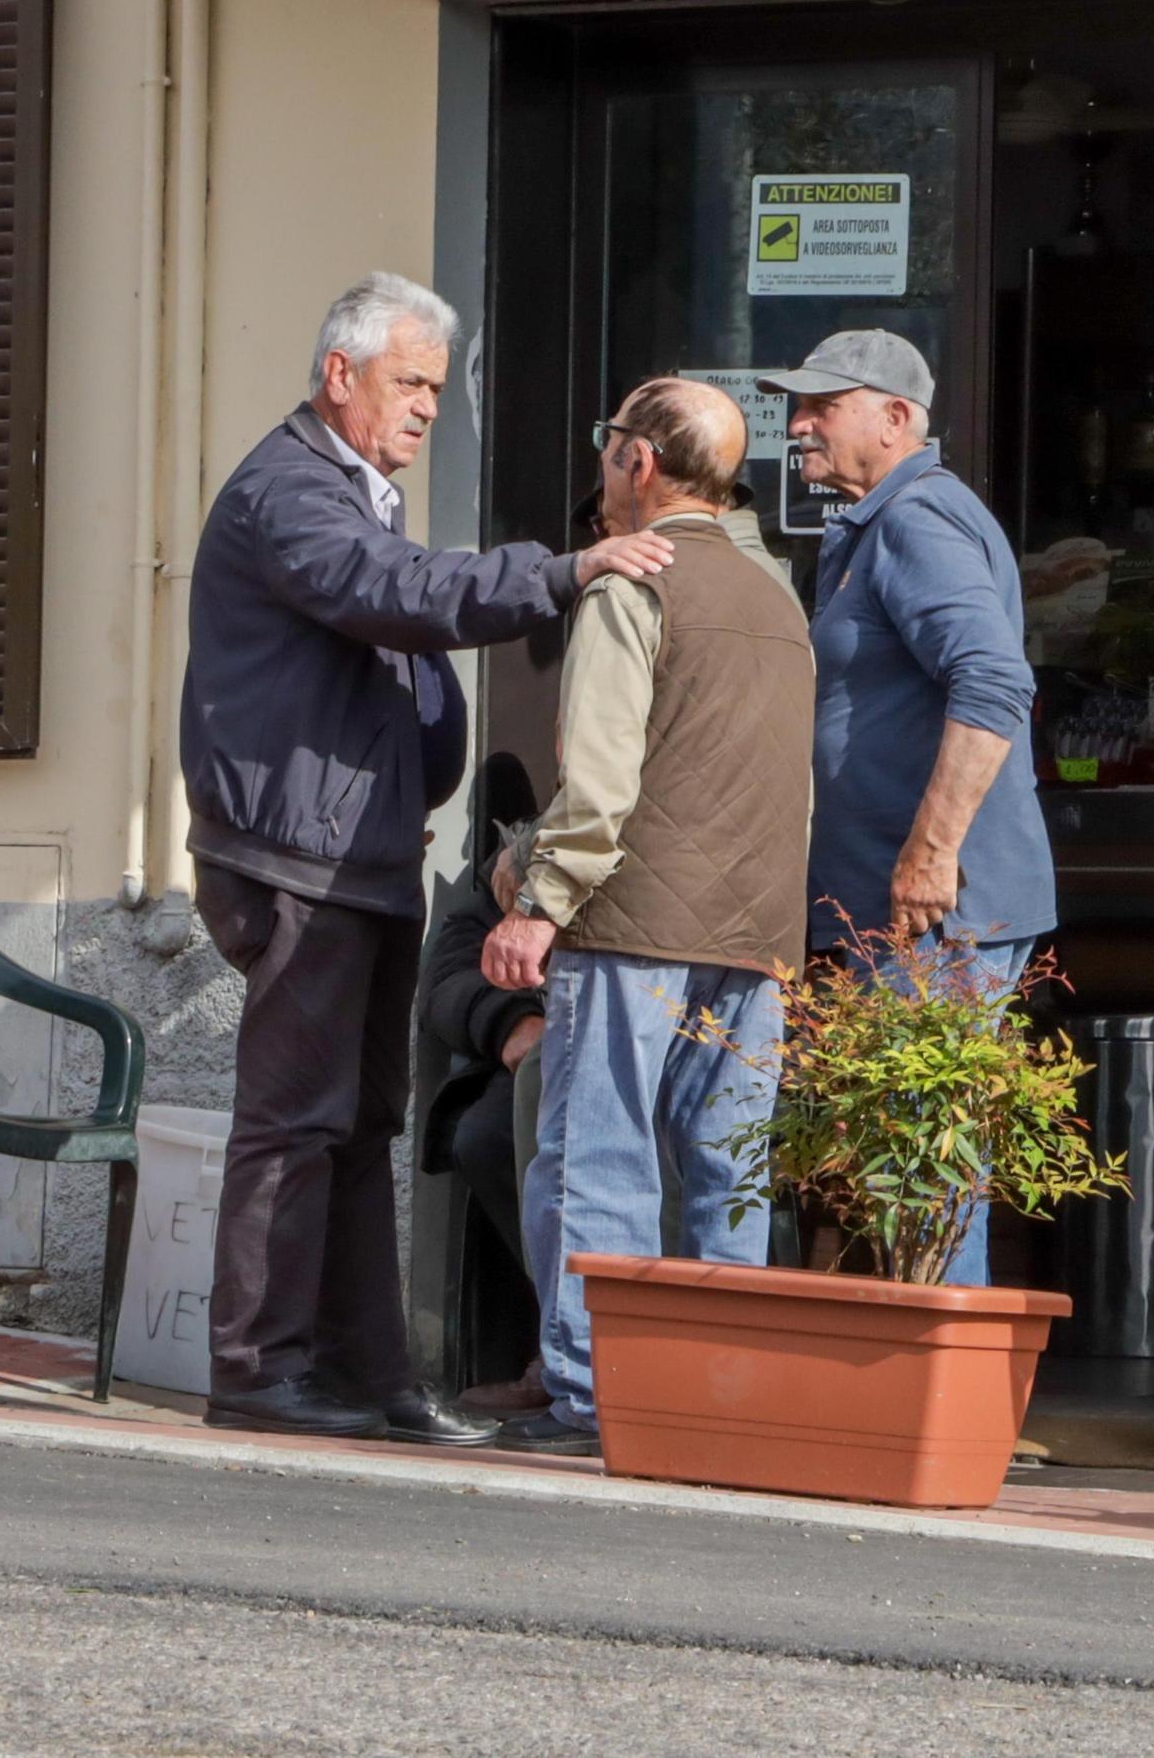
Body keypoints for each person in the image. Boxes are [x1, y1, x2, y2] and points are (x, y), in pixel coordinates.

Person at [181, 273, 677, 1442]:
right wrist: (561, 572)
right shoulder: (289, 490)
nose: (424, 412)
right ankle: (257, 1371)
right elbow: (388, 593)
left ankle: (369, 1379)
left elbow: (389, 611)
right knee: (297, 1121)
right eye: (408, 385)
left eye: (437, 392)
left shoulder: (356, 489)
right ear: (337, 375)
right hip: (295, 853)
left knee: (360, 1126)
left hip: (358, 850)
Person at [481, 377, 817, 1455]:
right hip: (758, 928)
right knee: (731, 1169)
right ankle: (724, 1398)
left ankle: (592, 1397)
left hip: (633, 922)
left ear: (640, 464)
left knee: (595, 1155)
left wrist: (539, 902)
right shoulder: (778, 595)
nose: (602, 462)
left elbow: (599, 781)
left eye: (609, 442)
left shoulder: (636, 585)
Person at [760, 330, 1056, 1281]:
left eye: (822, 406)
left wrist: (931, 851)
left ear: (896, 419)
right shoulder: (870, 525)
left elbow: (994, 682)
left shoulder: (916, 520)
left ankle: (934, 1416)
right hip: (897, 913)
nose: (798, 425)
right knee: (904, 1172)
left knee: (925, 1178)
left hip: (933, 915)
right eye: (797, 407)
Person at [415, 758, 547, 1415]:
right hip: (533, 1064)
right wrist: (513, 1023)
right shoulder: (499, 880)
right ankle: (556, 1337)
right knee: (487, 1137)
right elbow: (444, 981)